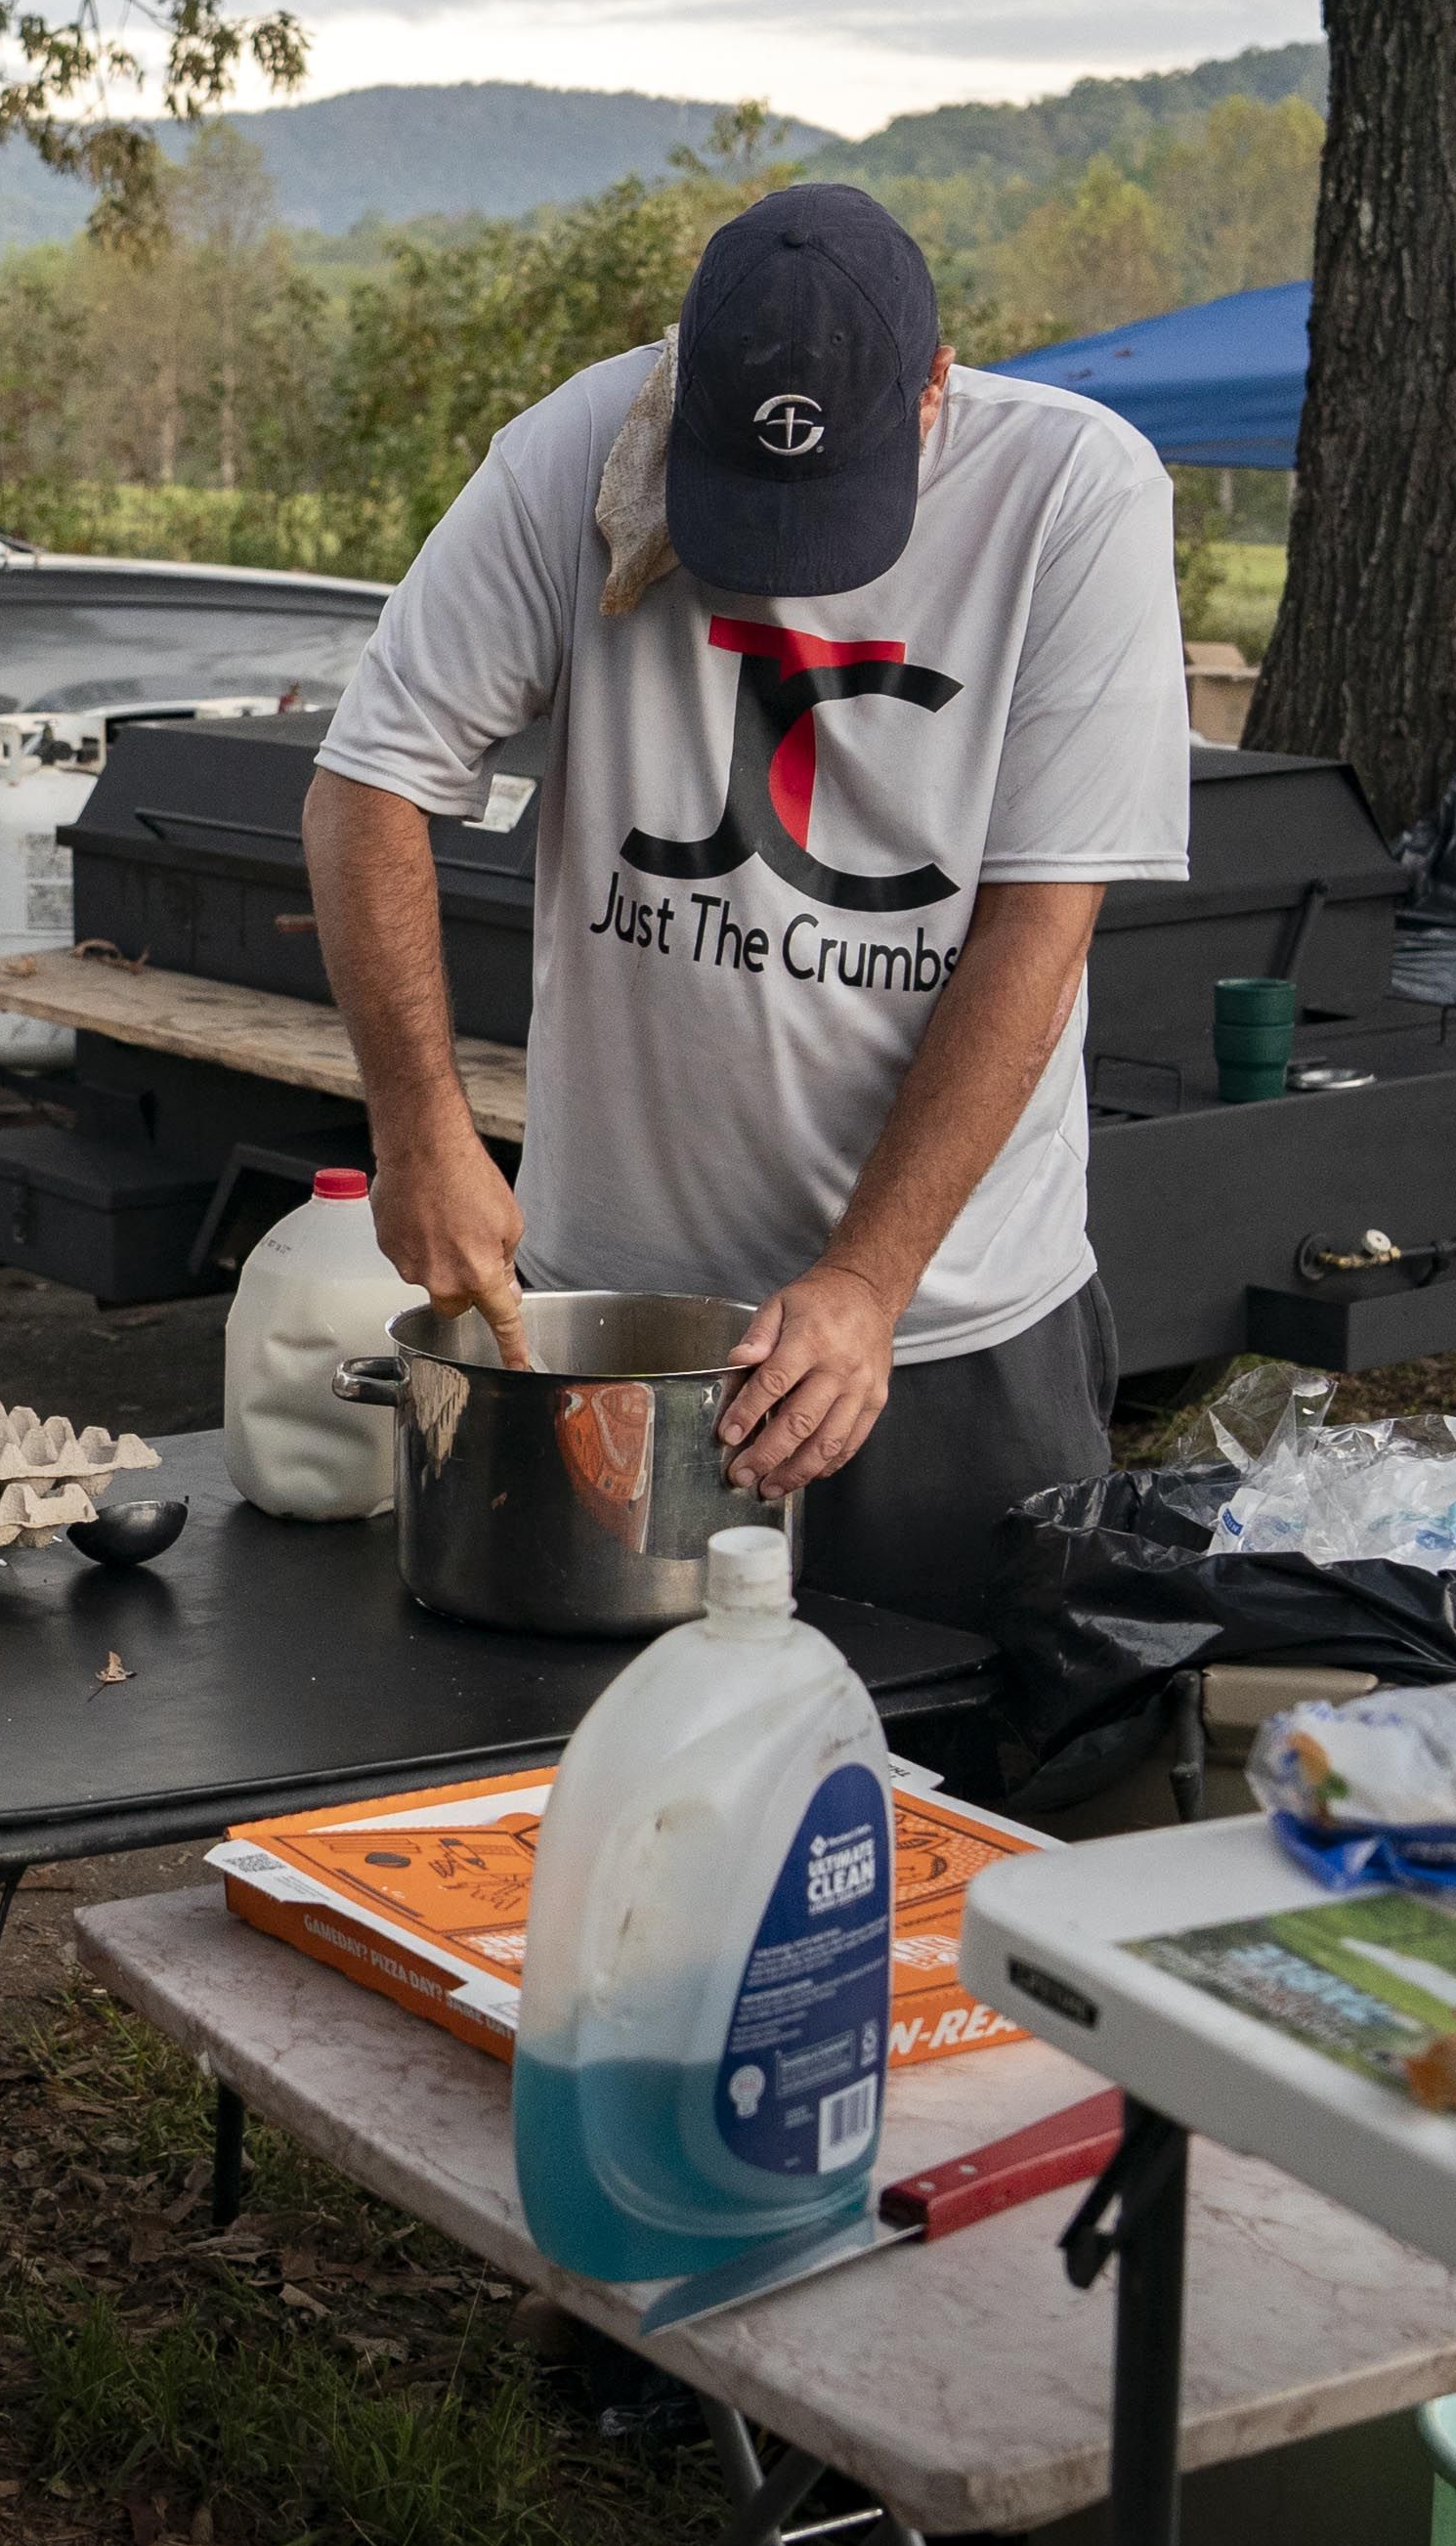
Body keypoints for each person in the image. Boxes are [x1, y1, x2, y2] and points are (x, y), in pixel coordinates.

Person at [303, 181, 1189, 1641]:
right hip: (609, 1320)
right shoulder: (576, 450)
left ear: (932, 385)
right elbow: (367, 786)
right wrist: (420, 1126)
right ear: (677, 378)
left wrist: (865, 1280)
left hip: (953, 1324)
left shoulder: (1071, 493)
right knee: (606, 1810)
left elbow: (1035, 931)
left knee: (956, 1801)